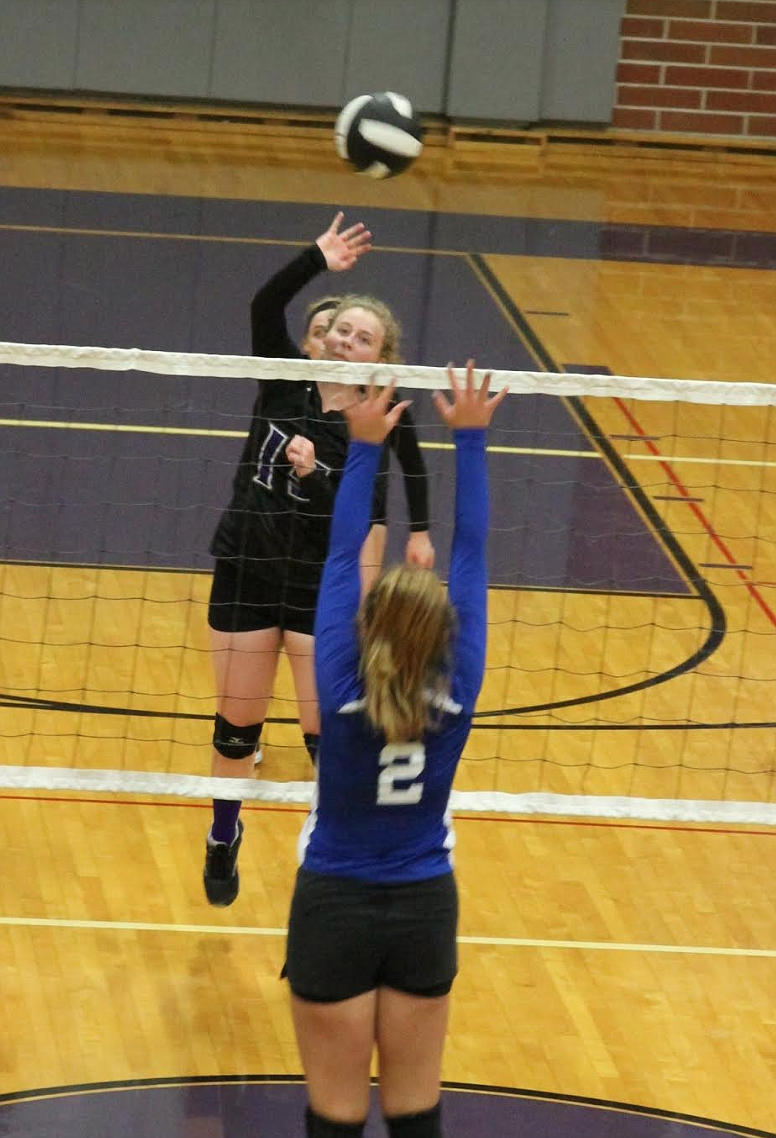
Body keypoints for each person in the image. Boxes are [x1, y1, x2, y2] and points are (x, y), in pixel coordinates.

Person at [285, 362, 507, 1138]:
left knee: (335, 1117)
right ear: (445, 634)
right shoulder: (457, 688)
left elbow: (344, 555)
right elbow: (472, 555)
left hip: (333, 907)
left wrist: (365, 445)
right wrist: (471, 441)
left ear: (368, 623)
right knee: (416, 1115)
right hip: (421, 906)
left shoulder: (341, 681)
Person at [203, 213, 431, 907]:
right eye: (338, 328)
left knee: (323, 739)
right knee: (236, 732)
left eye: (362, 336)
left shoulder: (375, 415)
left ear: (379, 355)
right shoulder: (283, 380)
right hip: (246, 566)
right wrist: (316, 260)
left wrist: (319, 477)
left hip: (318, 588)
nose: (345, 339)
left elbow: (365, 508)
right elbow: (263, 306)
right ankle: (222, 835)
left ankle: (336, 857)